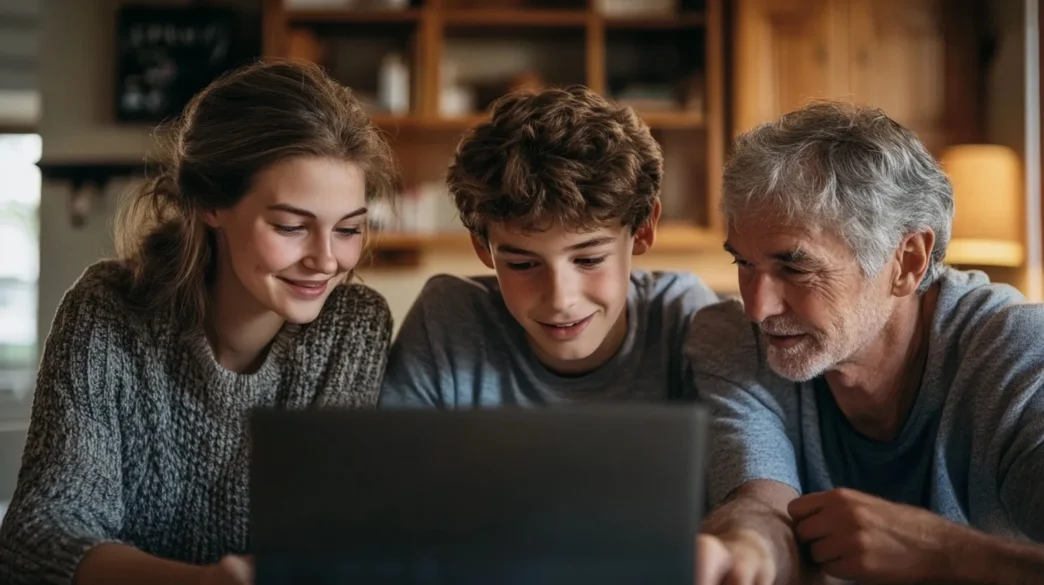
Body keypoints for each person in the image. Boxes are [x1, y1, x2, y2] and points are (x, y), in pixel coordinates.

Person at [0, 60, 398, 585]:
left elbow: (331, 538)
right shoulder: (106, 315)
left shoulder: (354, 328)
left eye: (348, 230)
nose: (326, 260)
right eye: (290, 226)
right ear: (211, 202)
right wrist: (204, 582)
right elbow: (38, 538)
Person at [690, 101, 1044, 585]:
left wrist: (947, 555)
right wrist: (746, 546)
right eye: (744, 264)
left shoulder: (1017, 355)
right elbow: (759, 500)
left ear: (907, 262)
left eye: (795, 267)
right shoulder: (734, 339)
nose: (757, 308)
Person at [379, 86, 718, 407]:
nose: (560, 299)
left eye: (589, 259)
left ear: (642, 229)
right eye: (523, 265)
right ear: (483, 247)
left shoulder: (684, 317)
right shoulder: (447, 322)